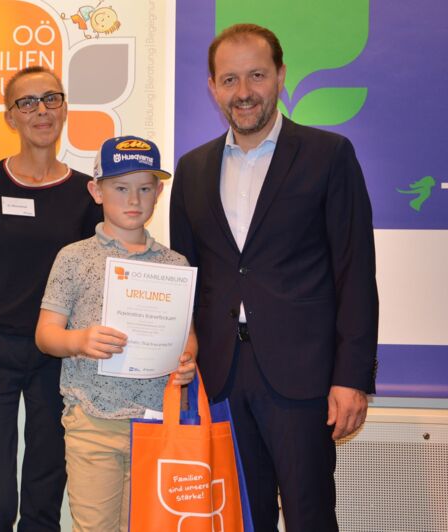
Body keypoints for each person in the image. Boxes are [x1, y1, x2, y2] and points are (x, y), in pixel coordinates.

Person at [170, 23, 378, 531]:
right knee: (239, 518)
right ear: (213, 87)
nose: (243, 92)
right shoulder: (192, 169)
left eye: (257, 75)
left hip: (302, 377)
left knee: (310, 517)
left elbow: (355, 272)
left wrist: (351, 377)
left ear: (281, 76)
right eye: (229, 79)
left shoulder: (329, 155)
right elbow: (185, 275)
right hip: (221, 375)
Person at [0, 65, 101, 531]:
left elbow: (99, 279)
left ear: (65, 108)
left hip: (57, 357)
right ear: (10, 117)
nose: (41, 110)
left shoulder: (86, 193)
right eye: (26, 102)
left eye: (51, 98)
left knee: (43, 507)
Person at [35, 136, 198, 532]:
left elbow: (187, 335)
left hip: (159, 423)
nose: (134, 200)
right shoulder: (74, 258)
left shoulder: (175, 264)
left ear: (159, 193)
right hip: (93, 423)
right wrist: (79, 340)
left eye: (145, 188)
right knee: (95, 527)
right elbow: (46, 334)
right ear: (97, 191)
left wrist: (187, 360)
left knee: (152, 525)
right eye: (121, 188)